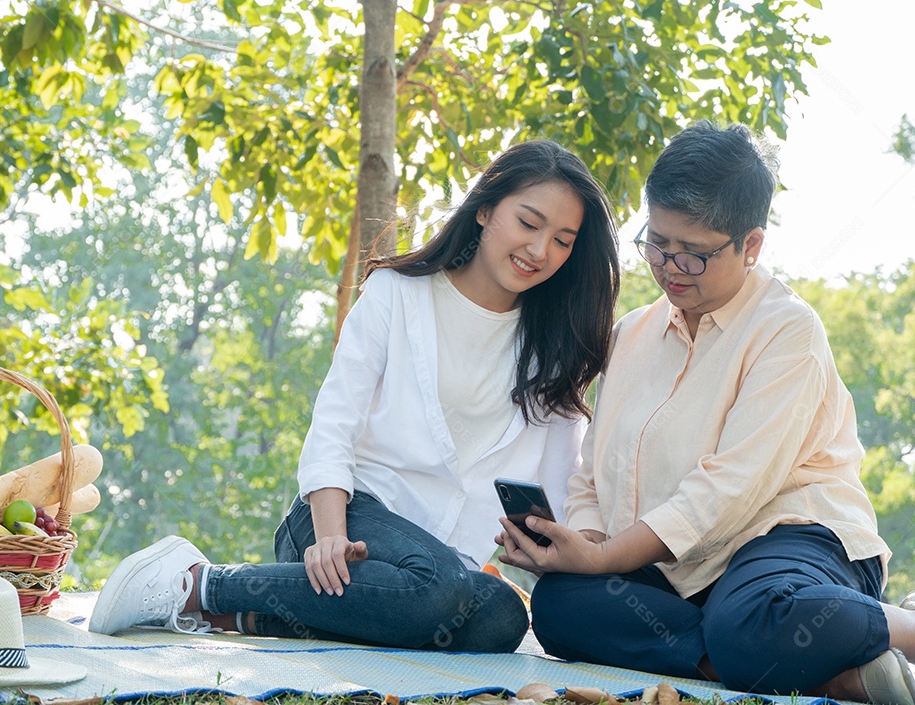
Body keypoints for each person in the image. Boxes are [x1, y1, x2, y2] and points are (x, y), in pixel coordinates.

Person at [89, 140, 621, 652]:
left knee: (501, 618)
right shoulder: (398, 293)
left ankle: (252, 615)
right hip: (344, 517)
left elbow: (558, 480)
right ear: (484, 209)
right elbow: (335, 421)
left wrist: (566, 550)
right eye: (529, 223)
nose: (539, 250)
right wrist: (329, 535)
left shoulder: (555, 345)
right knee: (437, 592)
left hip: (438, 563)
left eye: (563, 240)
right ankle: (199, 584)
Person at [498, 121, 915, 704]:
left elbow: (729, 492)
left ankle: (903, 630)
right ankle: (827, 674)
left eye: (693, 254)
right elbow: (595, 471)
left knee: (752, 617)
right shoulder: (632, 334)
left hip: (784, 543)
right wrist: (581, 544)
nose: (669, 267)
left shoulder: (786, 331)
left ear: (751, 245)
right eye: (657, 243)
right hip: (675, 575)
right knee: (562, 604)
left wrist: (602, 557)